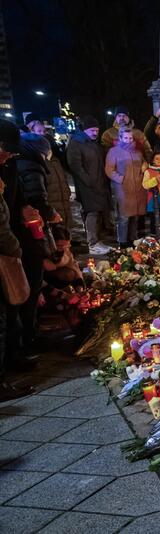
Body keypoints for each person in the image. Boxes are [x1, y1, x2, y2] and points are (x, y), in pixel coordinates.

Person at [16, 133, 63, 357]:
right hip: (27, 237)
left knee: (31, 284)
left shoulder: (21, 164)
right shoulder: (31, 168)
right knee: (31, 283)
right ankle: (28, 337)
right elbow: (37, 199)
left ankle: (29, 333)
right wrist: (50, 213)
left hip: (22, 237)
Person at [0, 119, 31, 400]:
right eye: (6, 150)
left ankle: (12, 359)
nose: (9, 156)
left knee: (8, 313)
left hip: (7, 248)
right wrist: (14, 247)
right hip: (4, 250)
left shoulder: (6, 170)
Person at [66, 116, 113, 255]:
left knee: (98, 212)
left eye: (97, 130)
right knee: (91, 213)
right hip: (88, 186)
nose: (95, 133)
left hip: (100, 184)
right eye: (92, 130)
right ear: (85, 130)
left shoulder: (94, 143)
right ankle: (92, 243)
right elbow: (75, 166)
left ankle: (97, 241)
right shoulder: (77, 143)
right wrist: (88, 181)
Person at [25, 115, 73, 236]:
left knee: (65, 229)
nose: (42, 134)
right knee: (54, 232)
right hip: (50, 200)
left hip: (61, 197)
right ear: (31, 132)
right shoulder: (33, 159)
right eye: (39, 131)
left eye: (44, 131)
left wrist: (66, 191)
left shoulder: (54, 155)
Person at [105, 127, 148, 247]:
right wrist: (121, 179)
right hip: (123, 189)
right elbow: (109, 169)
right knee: (124, 217)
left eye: (130, 138)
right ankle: (122, 242)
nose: (128, 140)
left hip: (137, 189)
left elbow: (143, 162)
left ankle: (133, 240)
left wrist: (144, 166)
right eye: (125, 138)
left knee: (135, 216)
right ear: (120, 138)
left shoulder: (137, 152)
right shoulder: (114, 151)